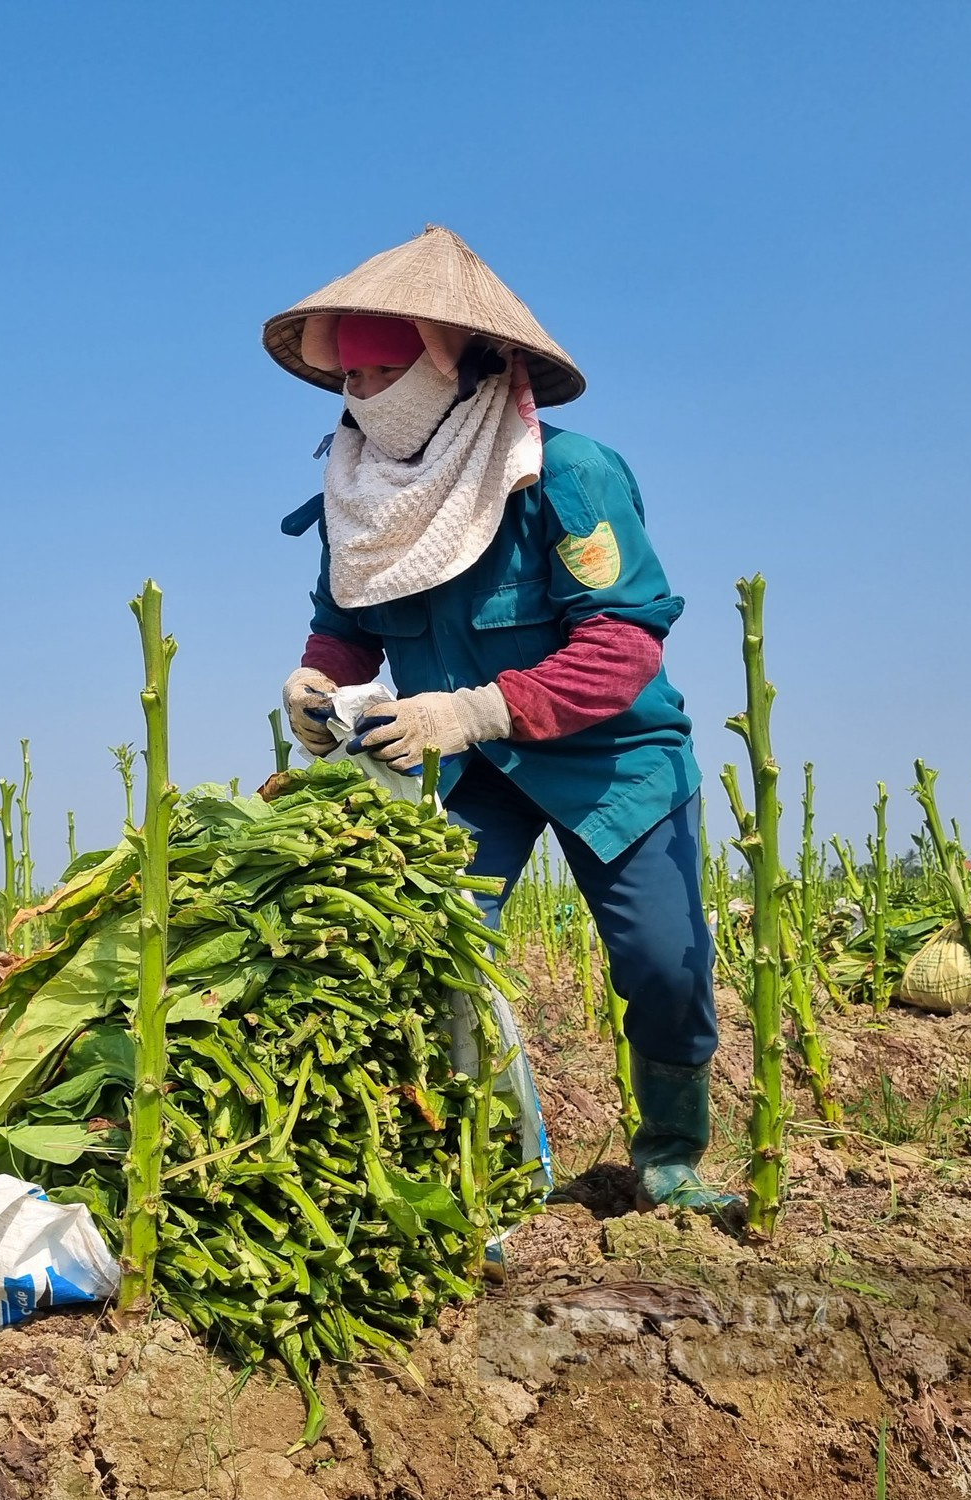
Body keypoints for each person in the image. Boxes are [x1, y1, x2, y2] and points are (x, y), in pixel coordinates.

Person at [264, 226, 734, 1214]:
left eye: (382, 371)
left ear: (454, 365)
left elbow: (621, 643)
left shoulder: (567, 475)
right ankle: (477, 1166)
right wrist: (315, 685)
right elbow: (344, 628)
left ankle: (668, 1151)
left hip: (610, 756)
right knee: (432, 951)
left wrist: (478, 708)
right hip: (473, 773)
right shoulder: (362, 502)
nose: (361, 396)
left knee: (659, 959)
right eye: (348, 377)